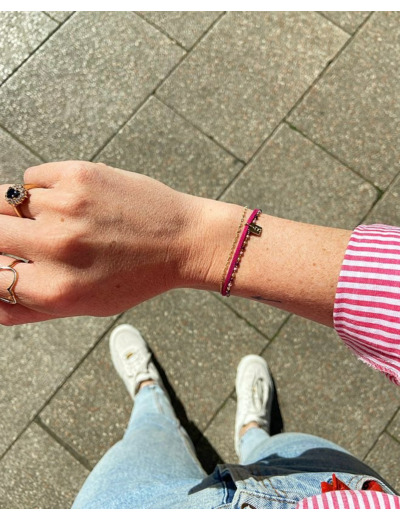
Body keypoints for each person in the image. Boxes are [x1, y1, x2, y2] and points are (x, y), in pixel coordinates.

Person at [1, 160, 399, 508]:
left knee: (148, 435)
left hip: (145, 506)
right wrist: (191, 238)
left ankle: (149, 395)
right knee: (278, 447)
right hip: (330, 486)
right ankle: (253, 432)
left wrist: (187, 241)